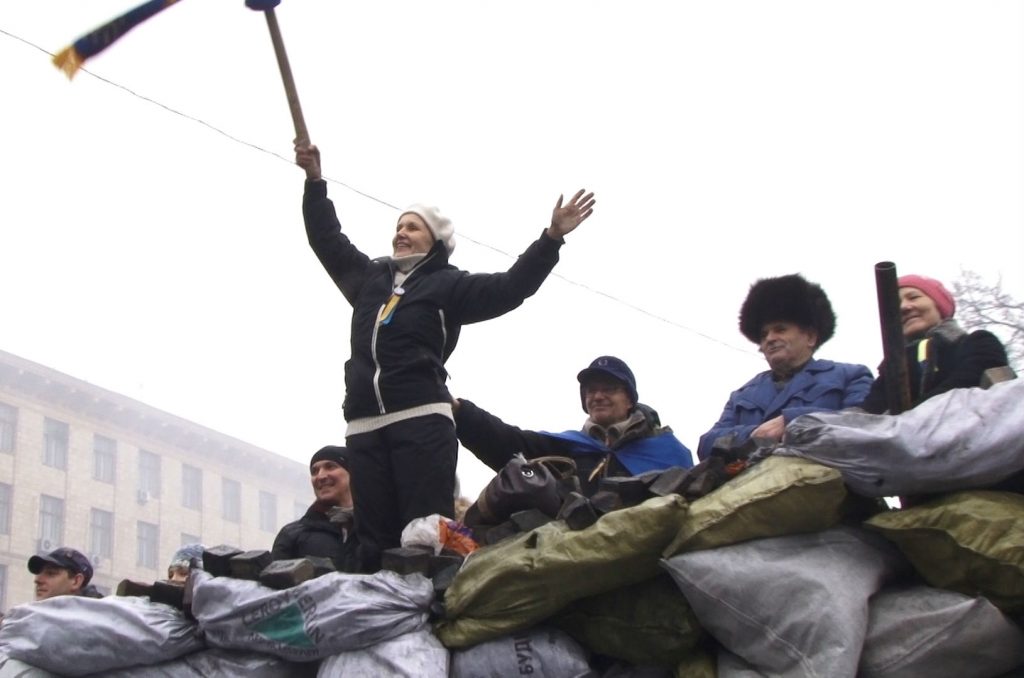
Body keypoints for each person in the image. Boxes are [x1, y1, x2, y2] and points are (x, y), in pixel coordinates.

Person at [296, 143, 595, 571]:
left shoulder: (448, 286)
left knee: (423, 532)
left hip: (422, 419)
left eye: (413, 228)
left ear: (435, 241)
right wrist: (314, 181)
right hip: (364, 424)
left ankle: (428, 614)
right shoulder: (368, 281)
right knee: (373, 536)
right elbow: (326, 239)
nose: (401, 233)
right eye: (399, 226)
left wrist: (551, 239)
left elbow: (512, 288)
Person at [455, 356, 694, 497]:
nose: (598, 396)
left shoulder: (667, 451)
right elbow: (509, 443)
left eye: (609, 388)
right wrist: (460, 412)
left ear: (630, 399)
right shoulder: (568, 448)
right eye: (591, 391)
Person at [697, 274, 873, 460]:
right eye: (764, 335)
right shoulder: (742, 395)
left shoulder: (851, 376)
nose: (770, 338)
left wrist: (791, 422)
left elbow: (865, 424)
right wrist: (754, 434)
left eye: (780, 329)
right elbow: (707, 445)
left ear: (810, 337)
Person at [860, 274, 1009, 414]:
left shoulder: (978, 342)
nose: (904, 307)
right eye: (895, 304)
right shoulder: (890, 369)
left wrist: (900, 420)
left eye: (913, 297)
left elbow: (968, 385)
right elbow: (869, 414)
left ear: (938, 305)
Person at [271, 445, 359, 573]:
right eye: (314, 471)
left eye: (330, 467)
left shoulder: (376, 531)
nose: (320, 476)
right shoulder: (292, 534)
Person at [28, 547, 101, 600]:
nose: (37, 580)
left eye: (51, 573)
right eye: (39, 573)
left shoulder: (98, 619)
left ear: (76, 581)